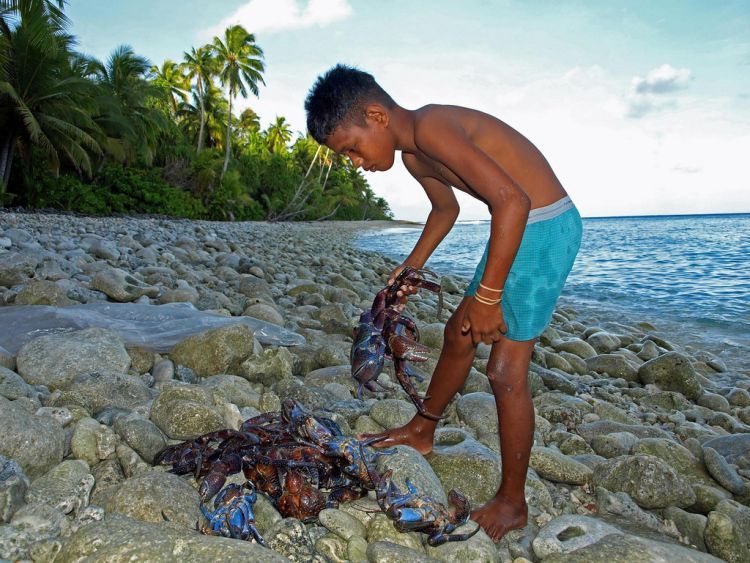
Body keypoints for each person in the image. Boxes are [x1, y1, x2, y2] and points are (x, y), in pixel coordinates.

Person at [304, 64, 583, 541]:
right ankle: (423, 428)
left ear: (376, 115)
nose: (355, 161)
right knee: (459, 333)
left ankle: (513, 502)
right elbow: (445, 209)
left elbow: (511, 200)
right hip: (520, 225)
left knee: (504, 371)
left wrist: (489, 298)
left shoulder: (432, 126)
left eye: (351, 148)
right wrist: (411, 267)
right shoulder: (415, 154)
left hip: (542, 228)